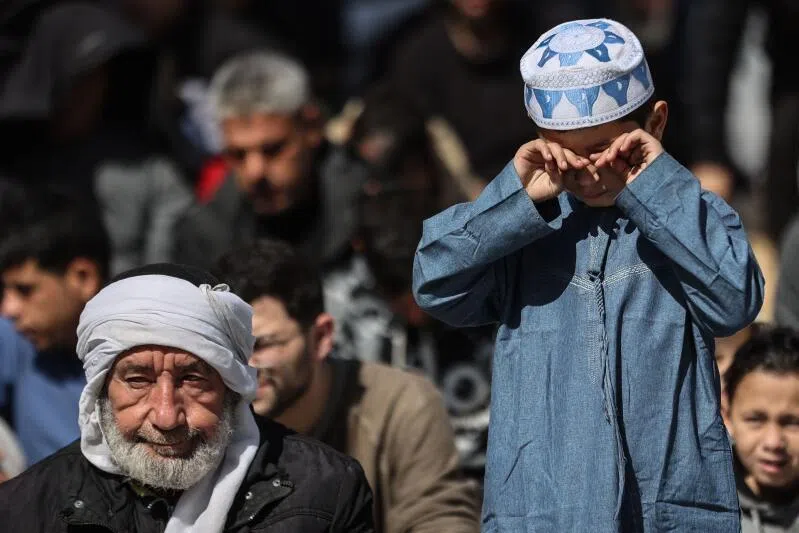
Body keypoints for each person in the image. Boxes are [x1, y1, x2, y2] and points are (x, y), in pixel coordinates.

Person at [413, 18, 764, 532]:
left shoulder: (692, 216)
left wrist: (658, 185)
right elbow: (433, 282)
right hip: (543, 512)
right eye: (569, 153)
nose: (591, 172)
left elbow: (735, 300)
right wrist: (513, 198)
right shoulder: (521, 233)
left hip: (666, 513)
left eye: (608, 149)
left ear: (656, 125)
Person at [0, 262, 374, 532]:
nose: (167, 416)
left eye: (193, 379)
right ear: (101, 391)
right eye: (138, 380)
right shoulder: (26, 511)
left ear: (230, 386)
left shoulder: (327, 492)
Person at [214, 239, 480, 533]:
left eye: (261, 345)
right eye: (228, 347)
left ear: (322, 337)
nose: (244, 365)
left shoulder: (400, 405)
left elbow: (439, 518)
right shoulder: (200, 413)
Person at [323, 85, 494, 475]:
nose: (378, 188)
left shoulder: (490, 262)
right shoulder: (341, 293)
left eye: (395, 170)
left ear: (427, 169)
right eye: (367, 172)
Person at [0, 1, 193, 276]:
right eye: (78, 78)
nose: (89, 95)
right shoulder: (13, 179)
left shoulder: (151, 172)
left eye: (101, 79)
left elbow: (168, 275)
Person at [176, 50, 366, 272]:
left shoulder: (367, 203)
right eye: (237, 155)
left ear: (312, 127)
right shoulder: (206, 235)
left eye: (273, 150)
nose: (254, 172)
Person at [0, 189, 110, 465]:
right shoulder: (18, 343)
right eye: (6, 291)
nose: (9, 309)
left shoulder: (151, 353)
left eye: (25, 290)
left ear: (82, 277)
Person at [723, 326, 799, 532]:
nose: (773, 442)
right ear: (726, 414)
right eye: (755, 419)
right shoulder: (702, 509)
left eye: (792, 422)